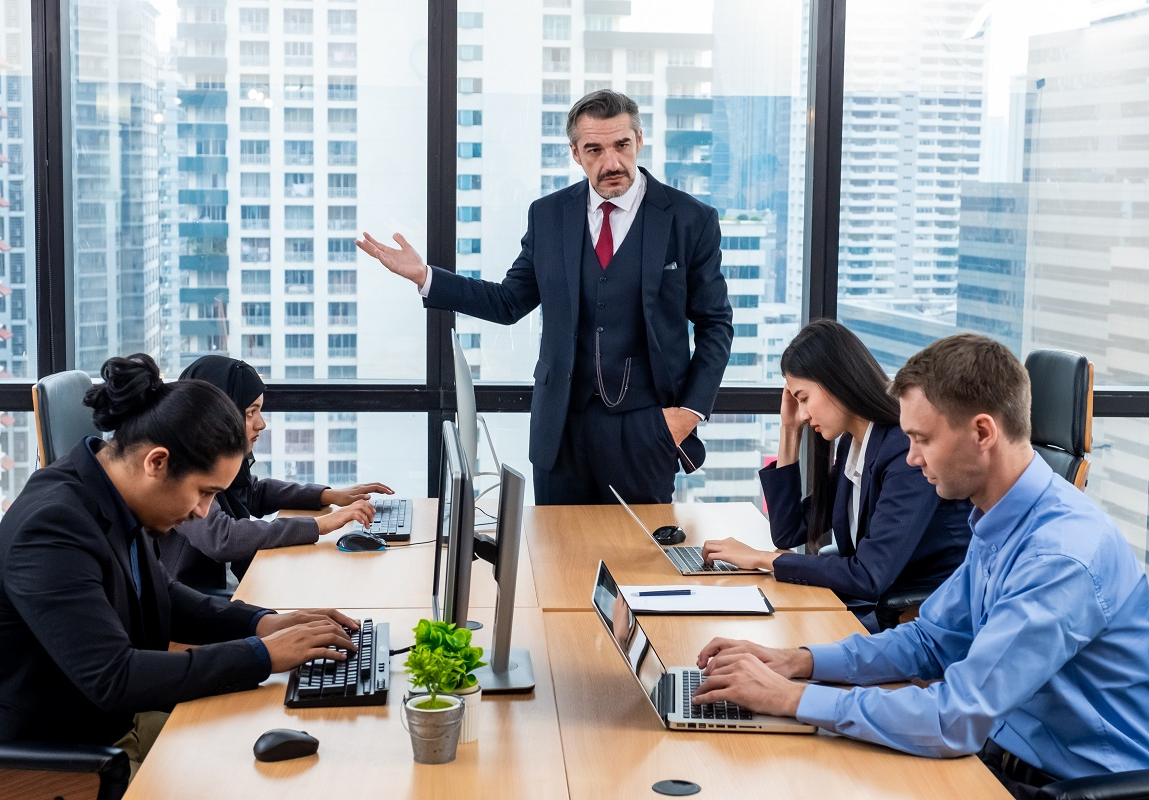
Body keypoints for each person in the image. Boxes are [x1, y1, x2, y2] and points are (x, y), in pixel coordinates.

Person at [691, 334, 1149, 797]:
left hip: (1068, 785)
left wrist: (788, 697)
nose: (910, 458)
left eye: (922, 439)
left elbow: (955, 717)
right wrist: (798, 662)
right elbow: (931, 641)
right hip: (998, 754)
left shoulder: (1060, 558)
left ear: (983, 433)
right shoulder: (999, 520)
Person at [0, 354, 361, 772]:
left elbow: (164, 594)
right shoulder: (53, 527)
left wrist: (262, 623)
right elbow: (116, 678)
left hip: (102, 724)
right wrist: (261, 655)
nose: (204, 512)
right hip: (46, 759)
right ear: (157, 462)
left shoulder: (106, 492)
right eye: (203, 492)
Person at [357, 89, 733, 505]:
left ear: (639, 141)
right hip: (561, 433)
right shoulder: (549, 216)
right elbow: (508, 302)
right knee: (555, 562)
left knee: (637, 563)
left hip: (646, 430)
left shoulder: (690, 219)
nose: (611, 162)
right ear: (575, 153)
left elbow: (716, 324)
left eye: (621, 145)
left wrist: (688, 414)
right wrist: (426, 276)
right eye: (594, 149)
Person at [701, 320, 971, 630]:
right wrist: (790, 431)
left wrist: (763, 559)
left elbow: (869, 575)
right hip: (870, 602)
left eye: (804, 398)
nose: (803, 413)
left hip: (920, 617)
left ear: (837, 382)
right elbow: (790, 531)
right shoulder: (853, 444)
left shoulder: (903, 449)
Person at [156, 355, 392, 592]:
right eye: (250, 413)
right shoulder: (179, 468)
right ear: (215, 416)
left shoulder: (208, 456)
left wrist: (328, 496)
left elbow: (254, 491)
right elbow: (222, 538)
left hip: (213, 596)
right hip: (189, 607)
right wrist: (319, 525)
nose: (261, 424)